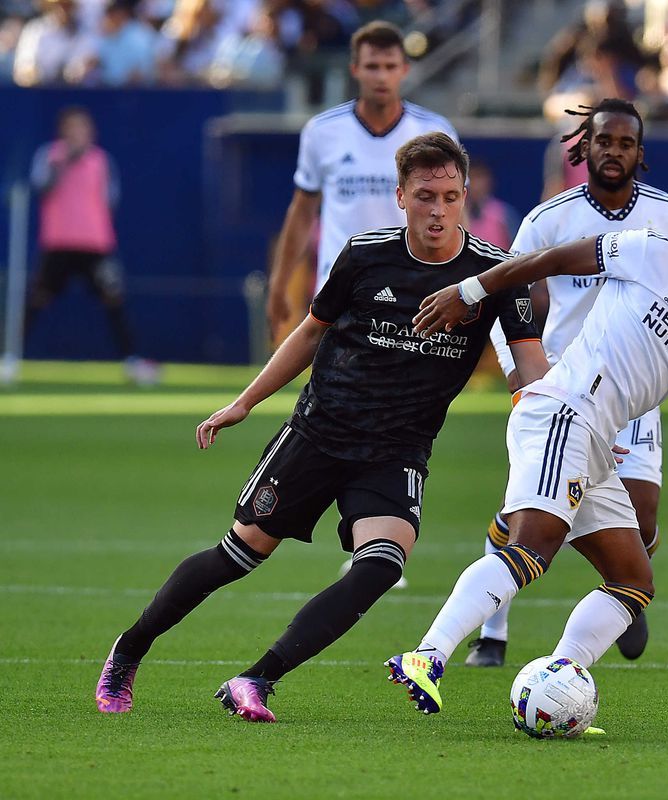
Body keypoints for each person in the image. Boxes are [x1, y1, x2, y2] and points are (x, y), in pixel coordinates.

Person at [94, 133, 547, 723]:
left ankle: (256, 679)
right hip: (321, 430)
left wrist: (569, 422)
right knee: (239, 554)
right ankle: (128, 651)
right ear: (400, 197)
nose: (438, 210)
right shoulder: (365, 255)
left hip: (398, 448)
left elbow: (529, 361)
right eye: (425, 196)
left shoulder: (493, 274)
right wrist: (246, 402)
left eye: (450, 196)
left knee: (382, 564)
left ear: (465, 196)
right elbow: (311, 332)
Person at [386, 208, 668, 720]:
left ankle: (555, 684)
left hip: (596, 443)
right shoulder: (653, 253)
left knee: (633, 581)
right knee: (532, 549)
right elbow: (548, 259)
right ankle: (428, 655)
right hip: (562, 410)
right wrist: (470, 291)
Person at [467, 98, 668, 669]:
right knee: (529, 519)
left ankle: (624, 586)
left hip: (637, 389)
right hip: (565, 386)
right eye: (603, 141)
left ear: (640, 155)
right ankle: (491, 633)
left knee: (642, 520)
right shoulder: (550, 219)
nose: (613, 151)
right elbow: (506, 295)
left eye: (625, 144)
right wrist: (524, 374)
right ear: (583, 148)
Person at [266, 20, 457, 341]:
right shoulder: (322, 131)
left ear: (404, 70)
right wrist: (279, 283)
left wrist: (456, 281)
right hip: (339, 286)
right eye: (372, 66)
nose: (381, 76)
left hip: (413, 284)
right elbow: (301, 213)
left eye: (389, 66)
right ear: (355, 69)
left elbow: (452, 214)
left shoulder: (434, 131)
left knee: (405, 388)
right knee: (335, 385)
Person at [25, 106, 157, 384]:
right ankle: (9, 359)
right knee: (37, 300)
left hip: (96, 246)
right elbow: (41, 187)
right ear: (63, 131)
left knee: (114, 299)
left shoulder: (101, 161)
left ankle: (132, 362)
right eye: (72, 128)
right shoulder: (49, 157)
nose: (77, 134)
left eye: (82, 128)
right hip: (58, 244)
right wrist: (63, 164)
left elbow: (110, 199)